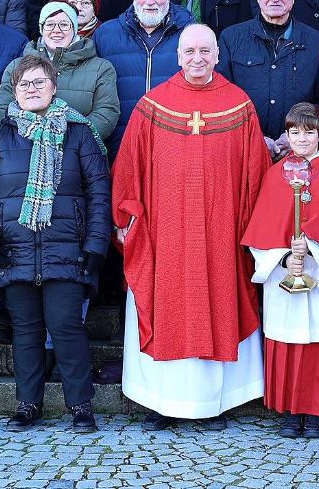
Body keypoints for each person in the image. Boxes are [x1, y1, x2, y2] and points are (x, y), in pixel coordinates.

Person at [112, 24, 270, 429]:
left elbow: (255, 173)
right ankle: (159, 401)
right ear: (178, 56)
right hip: (163, 234)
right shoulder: (153, 105)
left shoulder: (239, 106)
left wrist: (255, 231)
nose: (197, 58)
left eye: (205, 51)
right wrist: (127, 217)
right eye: (190, 51)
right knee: (164, 304)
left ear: (217, 55)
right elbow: (129, 167)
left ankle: (215, 403)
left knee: (218, 302)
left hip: (222, 233)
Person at [0, 53, 111, 432]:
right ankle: (28, 404)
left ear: (53, 86)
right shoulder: (0, 134)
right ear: (14, 90)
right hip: (13, 251)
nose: (32, 89)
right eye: (24, 84)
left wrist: (96, 246)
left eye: (39, 82)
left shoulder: (79, 134)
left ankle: (81, 405)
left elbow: (98, 192)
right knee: (26, 329)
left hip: (66, 249)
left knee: (66, 327)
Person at [242, 103, 319, 437]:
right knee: (289, 340)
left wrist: (315, 250)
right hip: (283, 277)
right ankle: (291, 411)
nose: (301, 138)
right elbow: (261, 230)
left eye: (309, 132)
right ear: (287, 134)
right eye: (295, 131)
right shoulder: (275, 174)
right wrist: (281, 259)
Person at [217, 0, 319, 149]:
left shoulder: (315, 42)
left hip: (299, 152)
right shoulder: (231, 39)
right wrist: (256, 137)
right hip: (245, 148)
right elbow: (222, 99)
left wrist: (296, 136)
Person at [0, 1, 120, 146]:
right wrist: (32, 137)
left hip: (79, 152)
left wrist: (71, 141)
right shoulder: (16, 66)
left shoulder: (101, 68)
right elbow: (4, 109)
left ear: (75, 28)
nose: (56, 30)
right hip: (23, 149)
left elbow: (106, 112)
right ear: (41, 28)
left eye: (64, 24)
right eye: (50, 24)